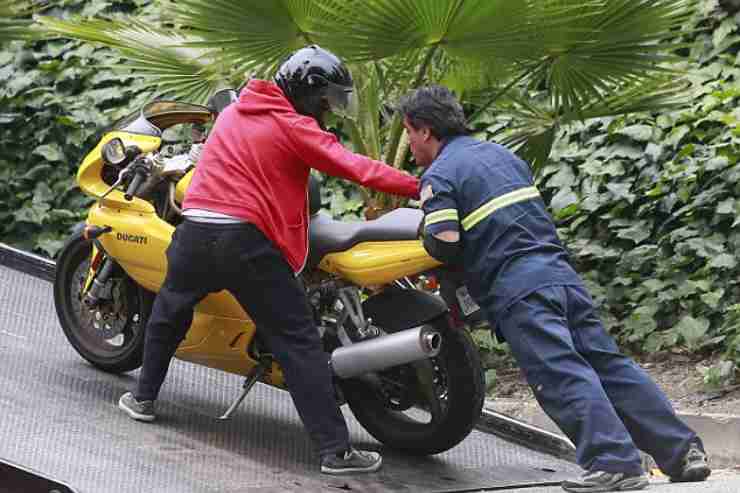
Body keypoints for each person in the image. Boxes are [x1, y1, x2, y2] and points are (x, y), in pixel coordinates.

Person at [118, 45, 420, 475]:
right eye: (325, 101)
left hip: (195, 231)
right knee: (297, 341)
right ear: (304, 93)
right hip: (245, 242)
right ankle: (335, 452)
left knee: (170, 310)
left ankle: (143, 397)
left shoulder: (235, 113)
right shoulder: (293, 126)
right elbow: (356, 168)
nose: (328, 111)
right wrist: (418, 187)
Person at [398, 85, 711, 492]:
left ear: (423, 130)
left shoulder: (440, 175)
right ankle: (683, 452)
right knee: (610, 366)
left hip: (517, 288)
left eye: (408, 132)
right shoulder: (503, 156)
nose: (407, 144)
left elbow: (444, 242)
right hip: (560, 276)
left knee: (560, 373)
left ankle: (615, 463)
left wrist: (418, 230)